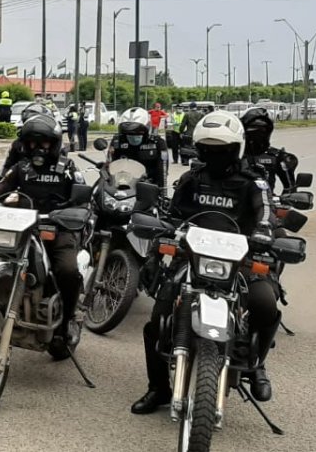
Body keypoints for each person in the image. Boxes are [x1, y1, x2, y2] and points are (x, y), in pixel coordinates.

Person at [132, 112, 280, 415]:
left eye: (222, 149)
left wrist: (264, 232)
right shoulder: (192, 179)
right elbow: (173, 215)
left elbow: (266, 213)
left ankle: (256, 363)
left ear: (236, 148)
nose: (215, 155)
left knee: (265, 304)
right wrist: (163, 231)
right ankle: (158, 388)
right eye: (208, 148)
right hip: (192, 257)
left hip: (240, 259)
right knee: (157, 320)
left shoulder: (253, 182)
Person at [0, 114, 87, 359]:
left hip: (57, 229)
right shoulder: (21, 168)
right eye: (31, 143)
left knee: (67, 271)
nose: (38, 149)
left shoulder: (67, 169)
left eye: (44, 143)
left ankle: (66, 321)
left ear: (55, 143)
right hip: (24, 228)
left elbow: (83, 199)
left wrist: (73, 212)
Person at [240, 107, 298, 193]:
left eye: (262, 130)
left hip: (267, 202)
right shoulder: (233, 153)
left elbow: (290, 188)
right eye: (253, 129)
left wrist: (284, 201)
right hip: (236, 202)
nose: (257, 135)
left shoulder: (276, 156)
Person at [109, 107, 169, 189]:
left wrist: (161, 192)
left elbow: (162, 172)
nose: (133, 137)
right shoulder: (117, 142)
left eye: (138, 134)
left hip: (148, 186)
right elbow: (110, 165)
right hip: (122, 183)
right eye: (129, 134)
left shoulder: (157, 143)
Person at [0, 103, 50, 176]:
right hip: (23, 183)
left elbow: (66, 172)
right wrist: (0, 181)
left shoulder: (55, 143)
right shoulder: (18, 144)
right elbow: (8, 166)